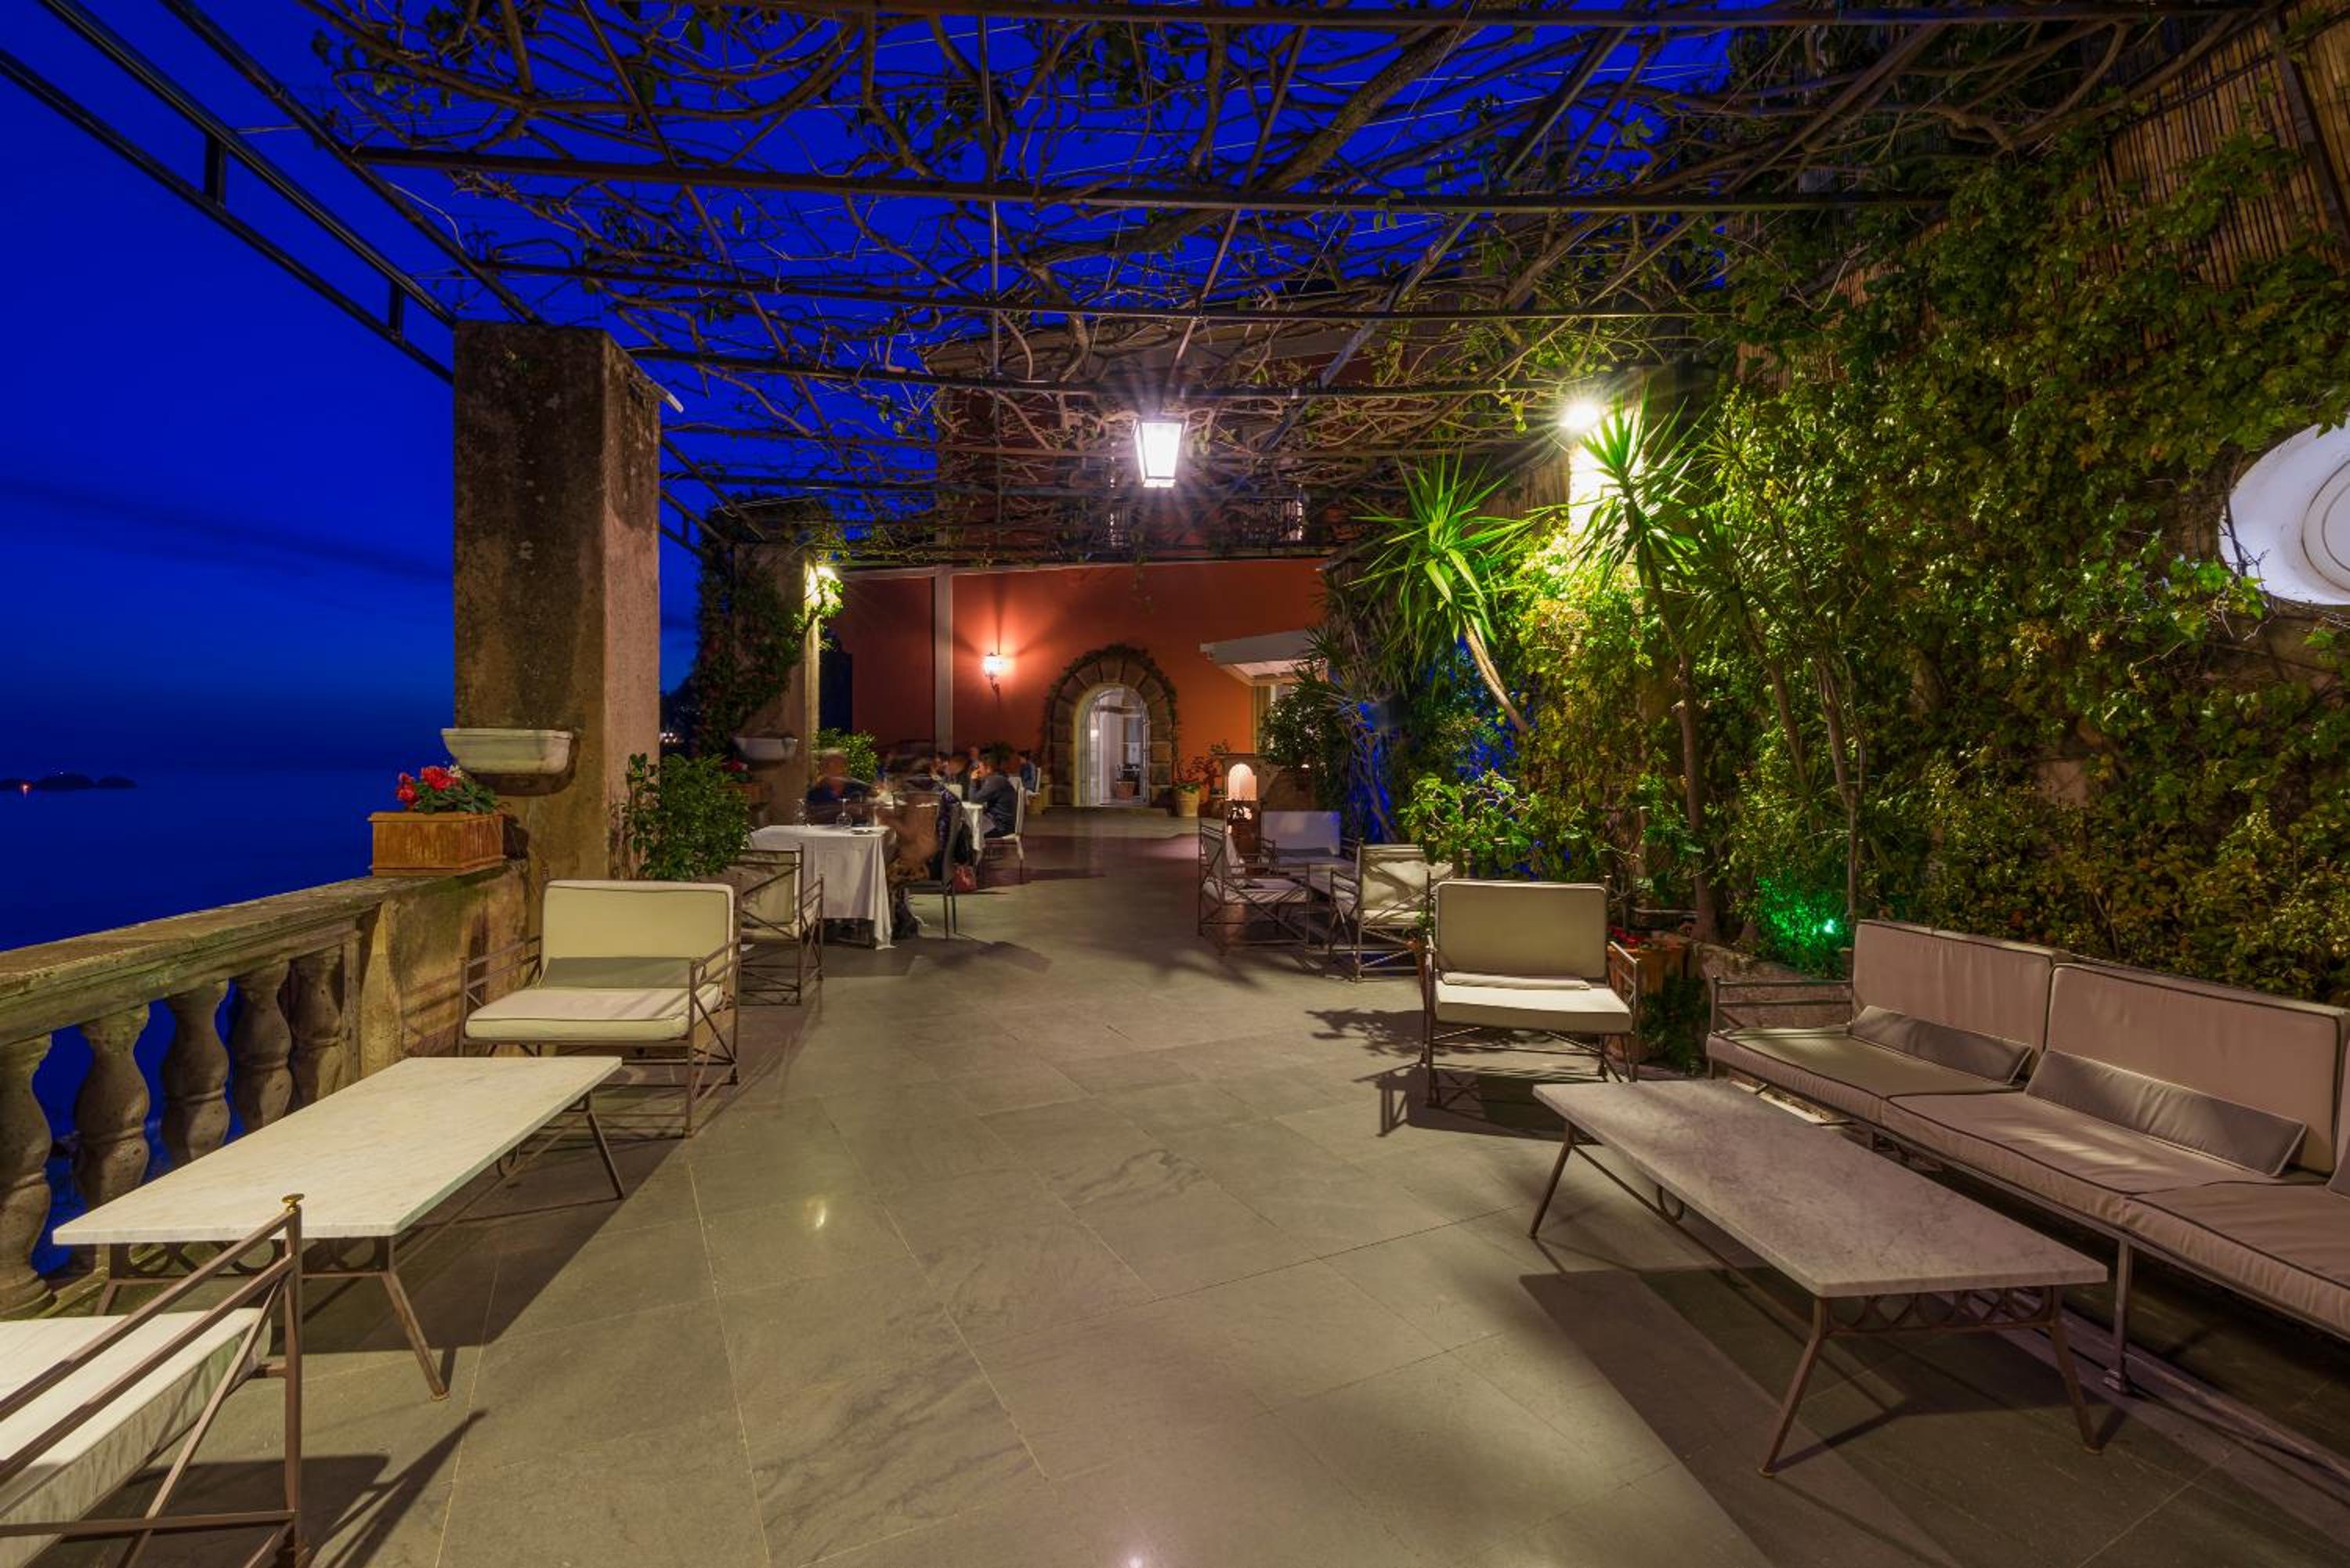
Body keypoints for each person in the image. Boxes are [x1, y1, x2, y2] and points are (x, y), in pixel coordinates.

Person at [804, 748, 870, 823]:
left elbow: (869, 809)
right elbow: (813, 816)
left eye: (841, 764)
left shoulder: (859, 787)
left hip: (856, 830)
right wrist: (845, 808)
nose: (838, 769)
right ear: (823, 768)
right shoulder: (815, 791)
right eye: (832, 765)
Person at [970, 754, 1019, 839]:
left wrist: (973, 780)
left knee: (968, 833)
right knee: (970, 828)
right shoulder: (998, 779)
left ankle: (976, 847)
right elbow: (979, 798)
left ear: (988, 769)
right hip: (1001, 823)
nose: (978, 771)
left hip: (1001, 826)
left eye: (980, 767)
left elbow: (974, 800)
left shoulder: (995, 781)